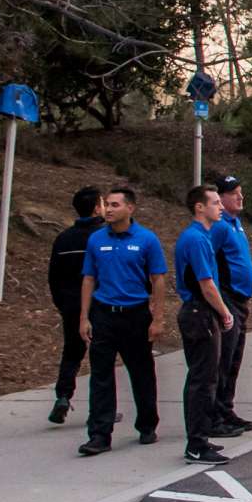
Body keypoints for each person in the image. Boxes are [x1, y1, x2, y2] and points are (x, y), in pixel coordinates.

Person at [76, 184, 168, 457]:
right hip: (104, 314)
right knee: (101, 376)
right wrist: (84, 317)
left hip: (136, 314)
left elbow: (158, 279)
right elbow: (89, 279)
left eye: (115, 205)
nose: (109, 210)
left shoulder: (146, 239)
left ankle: (147, 424)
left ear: (130, 208)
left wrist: (158, 318)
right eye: (107, 205)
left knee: (141, 373)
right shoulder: (95, 240)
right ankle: (99, 434)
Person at [172, 184, 237, 464]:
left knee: (202, 377)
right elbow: (206, 283)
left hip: (200, 311)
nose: (220, 207)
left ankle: (199, 437)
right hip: (200, 313)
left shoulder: (202, 237)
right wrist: (224, 312)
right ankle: (196, 444)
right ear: (199, 207)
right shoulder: (196, 239)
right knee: (204, 379)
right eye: (214, 203)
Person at [44, 185, 102, 424]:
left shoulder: (64, 238)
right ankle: (100, 409)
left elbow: (53, 276)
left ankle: (63, 396)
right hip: (101, 304)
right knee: (101, 357)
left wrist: (62, 303)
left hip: (71, 306)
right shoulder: (103, 237)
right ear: (97, 207)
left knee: (72, 352)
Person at [209, 176, 252, 433]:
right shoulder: (218, 226)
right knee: (222, 359)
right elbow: (209, 263)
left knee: (234, 359)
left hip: (241, 299)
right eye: (233, 194)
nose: (240, 197)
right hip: (227, 298)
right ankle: (213, 416)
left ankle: (226, 409)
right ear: (220, 198)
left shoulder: (236, 224)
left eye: (241, 192)